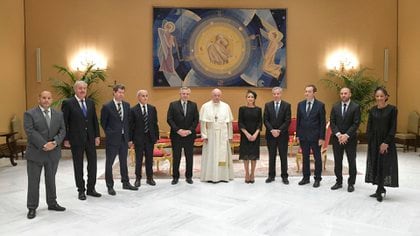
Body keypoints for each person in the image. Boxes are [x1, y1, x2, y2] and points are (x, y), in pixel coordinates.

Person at [24, 91, 66, 219]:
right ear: (39, 99)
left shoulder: (59, 114)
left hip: (53, 153)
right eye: (43, 98)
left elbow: (63, 130)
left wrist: (54, 142)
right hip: (36, 153)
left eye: (48, 98)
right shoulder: (30, 114)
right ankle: (32, 207)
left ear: (52, 99)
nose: (46, 100)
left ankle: (52, 203)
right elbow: (30, 131)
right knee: (33, 181)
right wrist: (44, 144)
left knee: (51, 180)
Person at [62, 80, 101, 200]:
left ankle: (91, 188)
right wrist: (66, 138)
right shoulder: (68, 103)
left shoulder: (90, 102)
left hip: (90, 138)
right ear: (75, 90)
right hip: (76, 139)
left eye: (84, 88)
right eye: (80, 88)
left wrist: (97, 136)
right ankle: (81, 190)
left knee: (93, 164)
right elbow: (64, 122)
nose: (83, 90)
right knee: (78, 165)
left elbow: (94, 120)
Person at [100, 84, 138, 195]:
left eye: (123, 92)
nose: (121, 95)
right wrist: (110, 133)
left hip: (124, 139)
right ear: (114, 92)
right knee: (110, 163)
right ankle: (110, 186)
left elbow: (128, 123)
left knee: (123, 162)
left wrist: (129, 138)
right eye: (119, 92)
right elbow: (103, 122)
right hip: (112, 139)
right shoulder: (107, 106)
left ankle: (125, 183)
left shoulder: (126, 105)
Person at [365, 87, 398, 202]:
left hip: (386, 142)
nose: (379, 98)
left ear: (386, 97)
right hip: (374, 142)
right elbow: (369, 126)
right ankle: (380, 188)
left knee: (384, 165)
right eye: (377, 96)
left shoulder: (392, 110)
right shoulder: (372, 110)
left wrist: (386, 142)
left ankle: (380, 190)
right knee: (375, 164)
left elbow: (393, 128)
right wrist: (369, 140)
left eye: (381, 96)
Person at [199, 88, 234, 182]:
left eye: (218, 95)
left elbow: (229, 123)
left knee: (222, 155)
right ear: (212, 95)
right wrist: (204, 135)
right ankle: (210, 176)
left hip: (223, 134)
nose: (217, 97)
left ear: (220, 96)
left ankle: (223, 176)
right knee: (211, 155)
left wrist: (230, 136)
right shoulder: (205, 106)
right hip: (210, 134)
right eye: (215, 95)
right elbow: (202, 123)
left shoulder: (226, 106)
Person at [330, 87, 361, 192]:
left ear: (350, 94)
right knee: (338, 161)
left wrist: (346, 135)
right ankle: (338, 181)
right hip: (337, 139)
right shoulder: (335, 106)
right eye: (341, 93)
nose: (343, 95)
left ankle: (351, 183)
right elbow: (332, 122)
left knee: (351, 161)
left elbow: (356, 123)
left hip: (350, 139)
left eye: (345, 93)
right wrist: (339, 135)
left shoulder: (356, 107)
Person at [167, 87, 199, 185]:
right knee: (176, 157)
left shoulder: (193, 105)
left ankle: (188, 177)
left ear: (189, 94)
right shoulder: (173, 105)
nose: (185, 95)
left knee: (189, 157)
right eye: (183, 93)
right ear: (180, 94)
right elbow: (169, 119)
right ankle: (175, 177)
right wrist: (178, 130)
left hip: (189, 136)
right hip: (176, 136)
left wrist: (189, 130)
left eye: (187, 94)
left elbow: (196, 120)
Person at [296, 84, 326, 188]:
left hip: (316, 137)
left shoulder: (320, 105)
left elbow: (322, 123)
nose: (306, 93)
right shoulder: (300, 104)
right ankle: (306, 178)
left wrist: (322, 138)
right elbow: (298, 121)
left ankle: (317, 179)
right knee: (305, 158)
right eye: (306, 91)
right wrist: (298, 135)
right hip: (303, 136)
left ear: (314, 93)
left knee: (317, 158)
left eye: (309, 91)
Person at [130, 90, 159, 187]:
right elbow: (131, 126)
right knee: (138, 159)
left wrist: (156, 137)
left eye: (146, 96)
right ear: (138, 97)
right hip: (138, 139)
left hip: (150, 138)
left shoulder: (152, 108)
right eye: (143, 96)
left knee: (149, 159)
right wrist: (130, 140)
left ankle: (149, 178)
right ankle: (138, 179)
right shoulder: (133, 110)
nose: (145, 98)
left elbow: (155, 124)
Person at [264, 87, 291, 184]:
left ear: (281, 94)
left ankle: (284, 176)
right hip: (271, 136)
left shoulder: (287, 105)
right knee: (272, 156)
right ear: (272, 94)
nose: (276, 95)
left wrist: (279, 130)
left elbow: (287, 121)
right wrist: (272, 130)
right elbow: (265, 120)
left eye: (278, 94)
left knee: (283, 157)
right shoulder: (267, 105)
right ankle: (271, 176)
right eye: (274, 94)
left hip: (282, 135)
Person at [238, 90, 262, 184]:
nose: (250, 98)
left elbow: (260, 123)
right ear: (246, 98)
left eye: (252, 97)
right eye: (248, 97)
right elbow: (240, 122)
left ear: (254, 98)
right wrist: (247, 134)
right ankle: (247, 174)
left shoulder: (258, 109)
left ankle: (252, 174)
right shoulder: (242, 109)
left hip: (255, 135)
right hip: (245, 135)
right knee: (246, 156)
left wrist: (255, 134)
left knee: (253, 156)